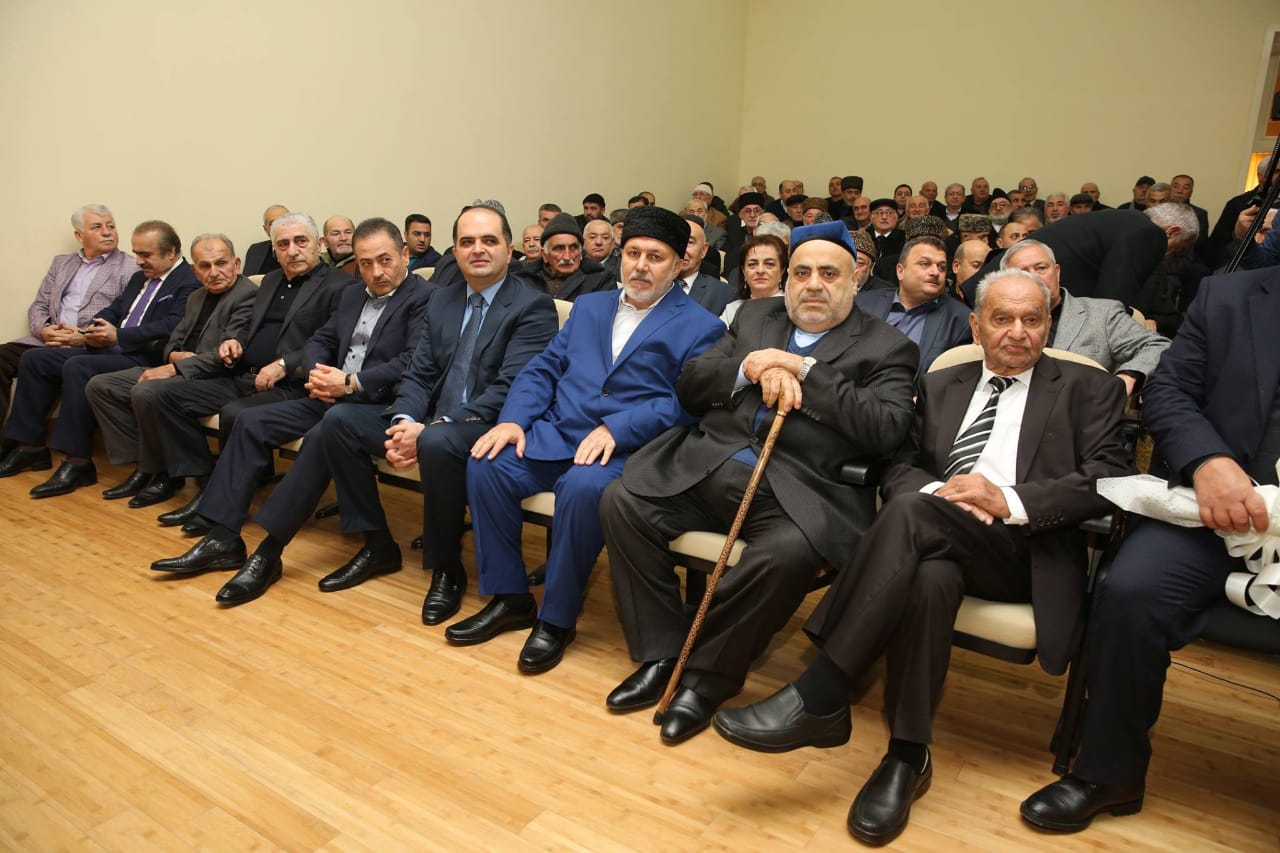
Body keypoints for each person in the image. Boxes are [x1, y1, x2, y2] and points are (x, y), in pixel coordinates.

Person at [712, 269, 1130, 845]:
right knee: (929, 574)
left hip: (1022, 550)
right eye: (1002, 319)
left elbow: (1108, 478)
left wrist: (1006, 500)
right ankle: (907, 757)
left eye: (1032, 320)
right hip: (935, 537)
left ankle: (826, 689)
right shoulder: (941, 383)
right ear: (976, 327)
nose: (1017, 332)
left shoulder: (1091, 388)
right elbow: (901, 465)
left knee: (911, 516)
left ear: (1048, 325)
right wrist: (942, 497)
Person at [600, 221, 918, 745]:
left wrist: (805, 370)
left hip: (802, 489)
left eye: (829, 274)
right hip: (708, 465)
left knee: (783, 557)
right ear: (787, 280)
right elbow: (691, 386)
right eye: (802, 273)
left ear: (855, 281)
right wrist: (746, 367)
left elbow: (885, 429)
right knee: (622, 501)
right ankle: (662, 653)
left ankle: (704, 681)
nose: (813, 285)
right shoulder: (752, 316)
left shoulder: (888, 346)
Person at [179, 205, 559, 610]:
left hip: (486, 424)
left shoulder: (532, 306)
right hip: (425, 419)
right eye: (467, 241)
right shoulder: (445, 300)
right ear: (456, 250)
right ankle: (348, 546)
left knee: (435, 442)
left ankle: (447, 567)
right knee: (338, 422)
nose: (477, 249)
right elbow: (419, 373)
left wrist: (431, 426)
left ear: (509, 249)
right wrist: (404, 419)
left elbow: (510, 388)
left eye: (488, 240)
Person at [1020, 262, 1280, 833]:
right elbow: (1169, 390)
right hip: (1212, 513)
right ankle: (1108, 773)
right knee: (1130, 589)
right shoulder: (1228, 296)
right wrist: (1208, 462)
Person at [447, 208, 726, 673]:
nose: (640, 266)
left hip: (627, 450)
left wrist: (618, 428)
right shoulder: (590, 307)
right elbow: (543, 369)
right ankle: (511, 597)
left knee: (583, 488)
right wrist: (513, 421)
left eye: (655, 257)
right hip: (559, 433)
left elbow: (686, 403)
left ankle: (556, 619)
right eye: (632, 253)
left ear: (679, 265)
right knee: (488, 463)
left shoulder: (702, 325)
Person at [148, 218, 433, 592]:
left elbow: (411, 361)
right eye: (365, 263)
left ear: (405, 255)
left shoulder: (425, 297)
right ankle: (223, 536)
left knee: (324, 433)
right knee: (249, 421)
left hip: (379, 404)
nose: (376, 272)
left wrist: (349, 383)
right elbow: (320, 339)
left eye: (385, 260)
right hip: (330, 394)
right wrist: (318, 373)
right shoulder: (353, 294)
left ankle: (269, 552)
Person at [128, 213, 354, 517]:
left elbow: (332, 341)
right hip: (242, 375)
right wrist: (234, 340)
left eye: (301, 241)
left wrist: (283, 364)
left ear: (319, 243)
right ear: (274, 251)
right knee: (161, 395)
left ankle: (218, 500)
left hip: (290, 384)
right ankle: (206, 479)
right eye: (283, 244)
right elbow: (249, 326)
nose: (292, 251)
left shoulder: (341, 285)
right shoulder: (270, 280)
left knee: (235, 413)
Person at [0, 221, 199, 495]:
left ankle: (78, 462)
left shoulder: (189, 282)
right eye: (136, 253)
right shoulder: (140, 278)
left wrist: (119, 336)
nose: (138, 261)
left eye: (146, 255)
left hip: (144, 356)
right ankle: (30, 446)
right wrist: (89, 330)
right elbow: (114, 310)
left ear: (171, 252)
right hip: (110, 349)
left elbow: (172, 326)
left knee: (78, 366)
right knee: (36, 359)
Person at [85, 234, 257, 502]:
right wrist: (173, 355)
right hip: (184, 369)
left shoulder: (248, 295)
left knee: (147, 392)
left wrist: (176, 367)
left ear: (236, 264)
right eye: (205, 266)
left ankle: (174, 474)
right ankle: (148, 465)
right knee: (101, 386)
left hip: (217, 376)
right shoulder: (196, 296)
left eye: (221, 263)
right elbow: (172, 342)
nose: (214, 272)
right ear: (195, 271)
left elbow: (229, 354)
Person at [0, 205, 138, 436]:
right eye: (97, 227)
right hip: (49, 340)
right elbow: (39, 305)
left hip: (90, 346)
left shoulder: (131, 267)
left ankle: (24, 442)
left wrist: (82, 336)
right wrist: (45, 330)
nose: (107, 232)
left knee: (40, 362)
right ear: (79, 235)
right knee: (2, 357)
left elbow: (127, 317)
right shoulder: (62, 263)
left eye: (111, 226)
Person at [1000, 239, 1169, 395]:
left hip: (1080, 409)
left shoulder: (1102, 314)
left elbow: (1157, 346)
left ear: (1057, 272)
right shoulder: (995, 321)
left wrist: (1128, 377)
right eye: (1023, 272)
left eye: (1041, 268)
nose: (1035, 277)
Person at [856, 236, 972, 376]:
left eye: (941, 267)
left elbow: (955, 378)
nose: (935, 272)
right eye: (925, 264)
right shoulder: (863, 303)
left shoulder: (960, 320)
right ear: (900, 271)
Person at [522, 213, 614, 300]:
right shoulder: (525, 281)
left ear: (581, 253)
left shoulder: (601, 280)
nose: (567, 257)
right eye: (559, 248)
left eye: (573, 248)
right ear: (545, 255)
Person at [720, 234, 787, 326]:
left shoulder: (792, 307)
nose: (760, 270)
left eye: (769, 264)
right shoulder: (733, 309)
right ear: (743, 271)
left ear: (782, 270)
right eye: (752, 264)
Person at [677, 215, 735, 315]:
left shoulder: (723, 294)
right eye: (677, 241)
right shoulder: (651, 284)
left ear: (704, 250)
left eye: (690, 242)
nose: (682, 249)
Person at [243, 204, 289, 276]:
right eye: (272, 223)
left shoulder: (301, 249)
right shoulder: (255, 250)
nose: (278, 226)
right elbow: (247, 279)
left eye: (283, 221)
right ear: (266, 229)